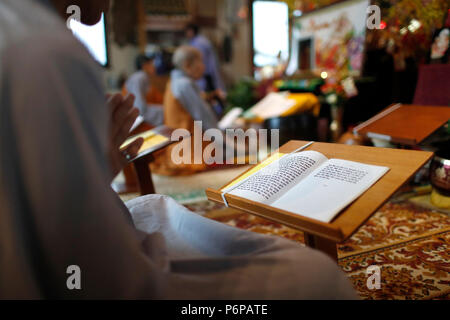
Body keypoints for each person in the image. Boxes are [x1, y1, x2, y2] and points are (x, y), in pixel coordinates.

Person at [0, 0, 357, 299]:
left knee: (158, 205)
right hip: (177, 162)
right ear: (188, 64)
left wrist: (98, 164)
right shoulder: (45, 52)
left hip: (138, 193)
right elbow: (101, 277)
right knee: (318, 277)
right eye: (200, 63)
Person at [123, 54, 164, 127]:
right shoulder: (140, 77)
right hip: (137, 122)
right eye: (152, 64)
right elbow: (139, 108)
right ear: (144, 65)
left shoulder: (143, 77)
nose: (154, 67)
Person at [186, 24, 226, 94]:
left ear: (191, 31)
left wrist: (195, 73)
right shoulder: (200, 40)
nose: (186, 34)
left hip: (207, 73)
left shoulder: (199, 43)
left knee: (211, 94)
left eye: (187, 31)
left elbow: (199, 60)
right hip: (208, 73)